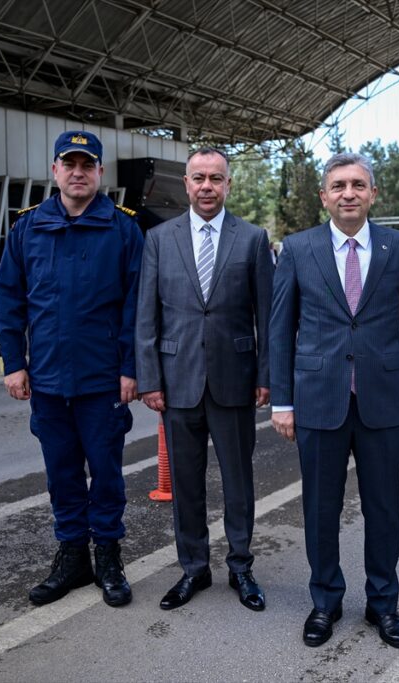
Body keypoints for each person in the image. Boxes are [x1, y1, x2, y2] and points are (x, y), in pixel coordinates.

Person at [269, 152, 399, 649]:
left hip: (383, 401)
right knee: (321, 508)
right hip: (319, 400)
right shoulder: (298, 249)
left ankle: (384, 603)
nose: (348, 193)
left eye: (358, 185)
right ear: (324, 196)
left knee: (384, 508)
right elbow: (280, 331)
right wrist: (282, 401)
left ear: (372, 194)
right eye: (338, 185)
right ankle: (325, 601)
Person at [0, 131, 142, 608]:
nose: (78, 172)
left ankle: (109, 557)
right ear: (55, 170)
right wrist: (14, 364)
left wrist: (130, 368)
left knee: (106, 473)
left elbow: (136, 306)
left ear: (100, 172)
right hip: (48, 379)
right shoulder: (27, 228)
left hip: (103, 379)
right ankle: (73, 556)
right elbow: (9, 300)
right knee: (61, 473)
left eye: (87, 164)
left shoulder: (123, 229)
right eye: (69, 164)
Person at [136, 148, 273, 612]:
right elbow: (146, 316)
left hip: (236, 379)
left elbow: (267, 315)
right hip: (177, 382)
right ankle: (193, 568)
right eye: (199, 178)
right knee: (186, 485)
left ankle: (241, 567)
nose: (207, 186)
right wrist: (149, 379)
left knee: (238, 482)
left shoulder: (253, 239)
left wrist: (267, 375)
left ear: (229, 184)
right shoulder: (158, 239)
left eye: (216, 178)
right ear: (187, 185)